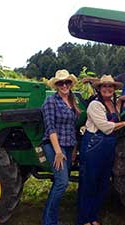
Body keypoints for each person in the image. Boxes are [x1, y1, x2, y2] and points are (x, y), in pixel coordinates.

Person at [76, 75, 125, 225]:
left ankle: (93, 217)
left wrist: (121, 101)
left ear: (114, 89)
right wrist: (124, 123)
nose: (108, 89)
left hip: (108, 145)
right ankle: (84, 219)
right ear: (99, 89)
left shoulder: (112, 103)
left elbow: (115, 115)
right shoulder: (95, 105)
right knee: (89, 183)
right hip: (94, 145)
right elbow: (105, 127)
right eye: (104, 86)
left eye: (110, 87)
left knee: (102, 183)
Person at [41, 69, 80, 225]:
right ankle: (48, 221)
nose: (64, 85)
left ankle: (52, 218)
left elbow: (72, 128)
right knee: (62, 182)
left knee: (60, 182)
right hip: (54, 145)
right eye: (60, 83)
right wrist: (58, 151)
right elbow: (50, 128)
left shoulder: (72, 100)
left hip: (69, 145)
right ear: (56, 85)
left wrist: (74, 149)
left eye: (67, 82)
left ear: (70, 84)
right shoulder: (51, 101)